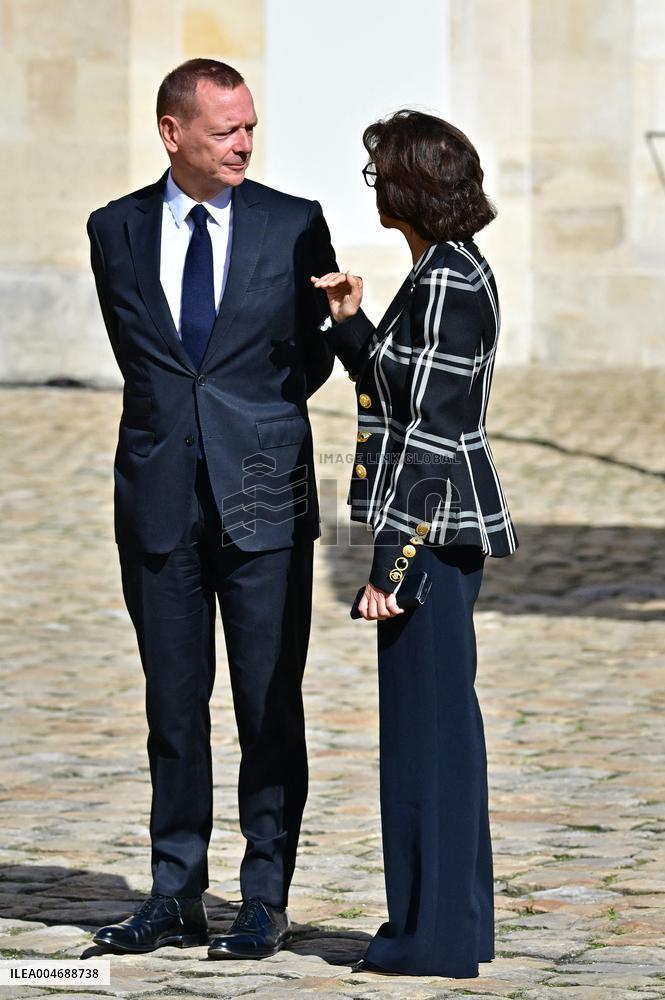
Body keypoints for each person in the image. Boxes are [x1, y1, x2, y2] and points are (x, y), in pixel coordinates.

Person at [87, 59, 337, 959]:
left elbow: (309, 358)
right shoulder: (112, 230)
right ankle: (173, 890)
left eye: (250, 128)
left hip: (263, 496)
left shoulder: (294, 222)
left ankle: (265, 895)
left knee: (271, 703)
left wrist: (252, 423)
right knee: (173, 705)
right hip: (157, 500)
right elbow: (143, 358)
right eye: (226, 129)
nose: (244, 143)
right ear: (172, 132)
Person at [312, 110, 518, 978]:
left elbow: (430, 439)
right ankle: (452, 926)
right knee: (440, 733)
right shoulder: (446, 269)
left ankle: (431, 939)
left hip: (428, 539)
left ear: (405, 192)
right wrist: (356, 326)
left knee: (428, 742)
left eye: (379, 177)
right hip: (437, 532)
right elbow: (403, 390)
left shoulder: (446, 282)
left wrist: (388, 568)